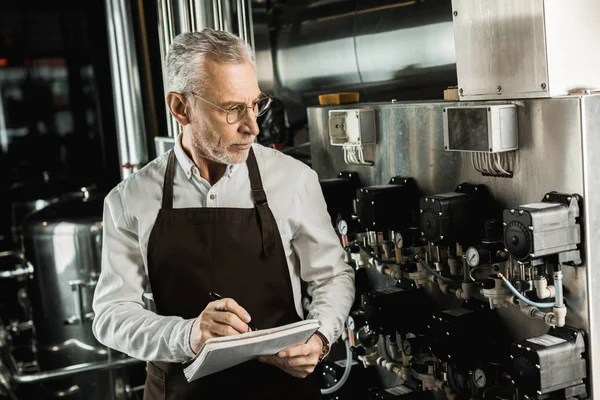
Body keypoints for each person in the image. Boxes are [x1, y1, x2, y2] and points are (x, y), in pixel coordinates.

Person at [92, 28, 355, 400]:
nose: (253, 127)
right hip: (181, 392)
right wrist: (189, 335)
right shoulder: (130, 200)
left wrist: (321, 336)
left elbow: (332, 276)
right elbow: (111, 316)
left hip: (281, 391)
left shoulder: (294, 180)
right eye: (232, 109)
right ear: (180, 108)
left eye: (255, 104)